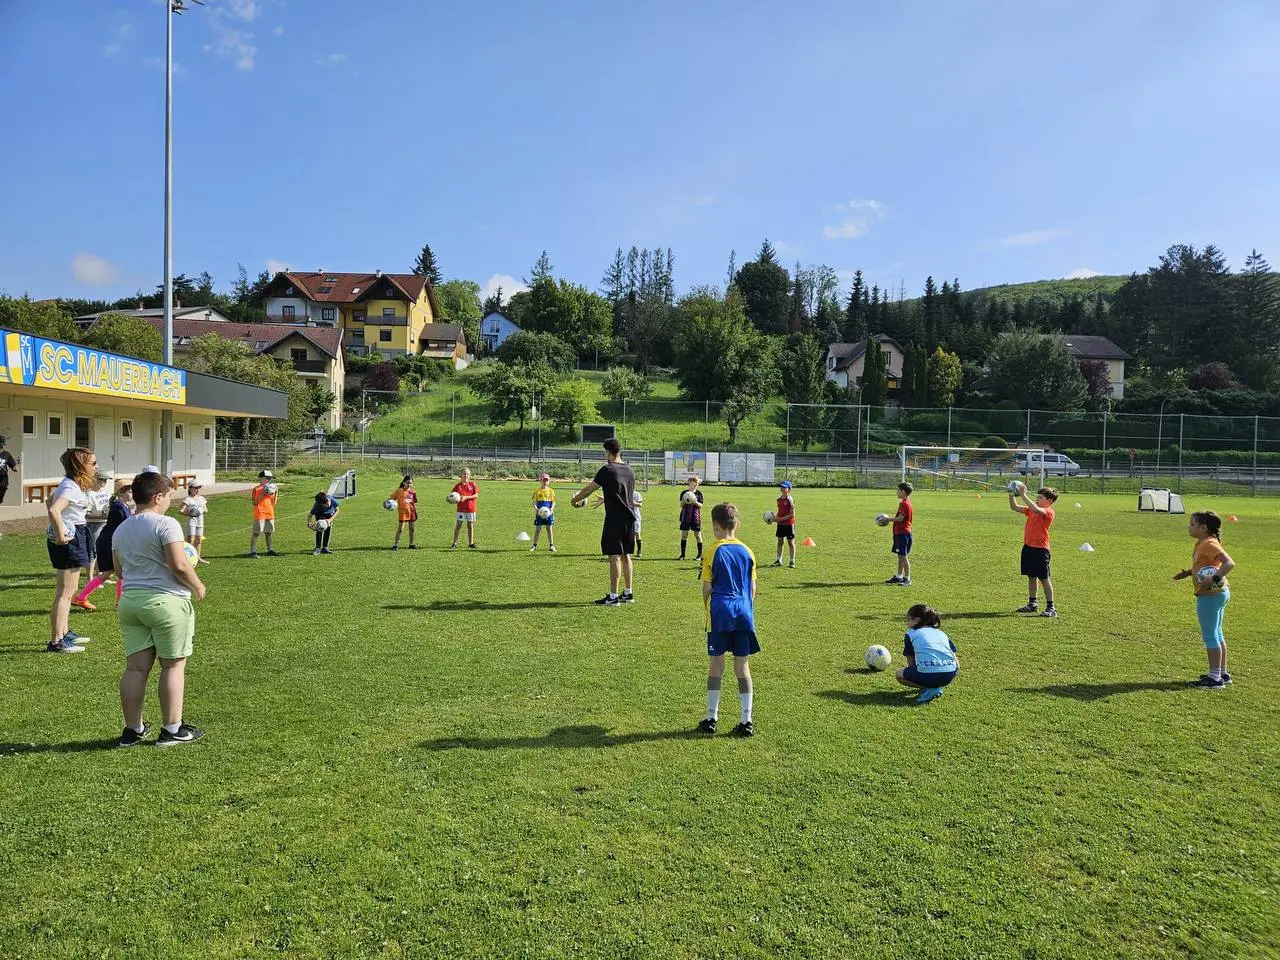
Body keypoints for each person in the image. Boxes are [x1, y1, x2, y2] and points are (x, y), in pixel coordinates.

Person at [113, 471, 206, 747]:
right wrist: (198, 585)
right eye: (167, 496)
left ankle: (132, 730)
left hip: (131, 602)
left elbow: (119, 570)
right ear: (157, 497)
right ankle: (172, 729)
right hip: (165, 602)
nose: (168, 501)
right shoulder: (166, 524)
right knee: (173, 665)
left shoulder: (122, 528)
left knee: (136, 668)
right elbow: (179, 564)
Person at [698, 503, 758, 737]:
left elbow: (707, 587)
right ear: (738, 525)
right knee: (742, 667)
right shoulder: (748, 550)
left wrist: (708, 609)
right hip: (744, 613)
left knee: (716, 666)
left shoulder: (712, 550)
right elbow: (752, 587)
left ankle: (711, 718)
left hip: (720, 614)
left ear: (715, 526)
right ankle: (746, 720)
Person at [1173, 511, 1236, 690]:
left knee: (1210, 636)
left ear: (1204, 528)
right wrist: (1188, 573)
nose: (1189, 527)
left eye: (1192, 524)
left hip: (1210, 595)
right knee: (1217, 634)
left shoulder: (1208, 543)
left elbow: (1229, 563)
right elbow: (1205, 565)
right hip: (1219, 594)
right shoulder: (1204, 543)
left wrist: (1214, 578)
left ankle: (1214, 678)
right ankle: (1222, 673)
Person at [570, 438, 636, 605]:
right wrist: (606, 499)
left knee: (614, 555)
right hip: (630, 518)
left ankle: (613, 597)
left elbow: (588, 489)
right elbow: (623, 495)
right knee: (626, 555)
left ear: (608, 452)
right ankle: (628, 593)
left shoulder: (607, 470)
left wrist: (575, 500)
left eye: (604, 452)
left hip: (614, 519)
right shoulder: (629, 470)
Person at [45, 447, 97, 652]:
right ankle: (57, 641)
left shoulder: (71, 485)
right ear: (80, 465)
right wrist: (60, 537)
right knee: (65, 593)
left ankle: (64, 632)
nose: (95, 467)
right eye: (92, 463)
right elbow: (53, 509)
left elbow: (49, 500)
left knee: (69, 590)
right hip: (71, 538)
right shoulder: (70, 487)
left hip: (77, 533)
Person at [74, 483, 134, 610]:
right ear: (121, 492)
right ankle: (81, 598)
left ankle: (117, 602)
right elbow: (129, 523)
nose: (132, 494)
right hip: (109, 542)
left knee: (118, 572)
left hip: (112, 541)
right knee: (112, 572)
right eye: (130, 491)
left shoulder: (122, 505)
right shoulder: (118, 506)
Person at [1009, 482, 1058, 617]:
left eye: (1040, 497)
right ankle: (1032, 604)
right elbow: (1014, 507)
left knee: (1044, 578)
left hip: (1041, 549)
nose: (1037, 499)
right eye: (1037, 497)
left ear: (1049, 501)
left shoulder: (1048, 512)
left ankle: (1051, 607)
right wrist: (1011, 493)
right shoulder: (1031, 509)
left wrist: (1023, 494)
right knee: (1031, 576)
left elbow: (1037, 510)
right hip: (1028, 546)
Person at [894, 604, 958, 705]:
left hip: (928, 674)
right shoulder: (941, 633)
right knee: (933, 674)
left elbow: (910, 660)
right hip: (949, 674)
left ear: (916, 620)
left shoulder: (911, 633)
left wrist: (914, 673)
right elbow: (955, 660)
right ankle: (935, 686)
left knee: (899, 675)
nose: (907, 623)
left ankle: (931, 688)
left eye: (908, 619)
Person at [71, 470, 112, 611]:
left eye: (105, 480)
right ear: (94, 480)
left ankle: (101, 574)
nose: (104, 483)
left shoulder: (105, 493)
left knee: (102, 550)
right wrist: (99, 514)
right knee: (92, 551)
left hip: (105, 523)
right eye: (101, 480)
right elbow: (85, 513)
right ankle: (89, 578)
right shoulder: (89, 494)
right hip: (93, 525)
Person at [884, 481, 914, 585]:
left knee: (904, 556)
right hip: (902, 533)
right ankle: (899, 576)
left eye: (898, 490)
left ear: (903, 491)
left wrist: (887, 519)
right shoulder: (906, 502)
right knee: (900, 555)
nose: (896, 492)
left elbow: (900, 519)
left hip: (902, 534)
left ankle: (907, 578)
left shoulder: (904, 504)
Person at [249, 469, 279, 558]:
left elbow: (273, 503)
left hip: (269, 513)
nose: (269, 480)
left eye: (270, 478)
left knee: (268, 533)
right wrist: (262, 493)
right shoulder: (256, 489)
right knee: (256, 533)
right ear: (261, 478)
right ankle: (252, 551)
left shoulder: (271, 488)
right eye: (267, 478)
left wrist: (276, 492)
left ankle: (269, 550)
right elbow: (254, 503)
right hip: (260, 514)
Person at [180, 481, 210, 565]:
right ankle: (187, 559)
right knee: (190, 541)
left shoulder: (202, 499)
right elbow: (181, 510)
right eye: (195, 488)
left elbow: (206, 510)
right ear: (190, 488)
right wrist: (190, 513)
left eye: (198, 488)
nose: (197, 490)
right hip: (191, 522)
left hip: (200, 522)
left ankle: (198, 558)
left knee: (199, 540)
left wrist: (199, 511)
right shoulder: (188, 499)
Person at [449, 468, 479, 549]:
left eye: (467, 474)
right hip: (461, 510)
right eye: (464, 474)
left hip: (471, 509)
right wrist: (450, 499)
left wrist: (466, 497)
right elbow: (451, 496)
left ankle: (471, 543)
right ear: (461, 475)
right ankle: (454, 543)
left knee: (470, 526)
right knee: (458, 526)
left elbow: (476, 495)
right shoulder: (457, 486)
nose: (465, 475)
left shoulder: (473, 485)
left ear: (469, 475)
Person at [677, 475, 705, 561]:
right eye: (691, 483)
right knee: (684, 535)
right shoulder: (684, 493)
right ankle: (682, 555)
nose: (692, 485)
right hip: (685, 517)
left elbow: (700, 505)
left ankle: (699, 555)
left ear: (697, 484)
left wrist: (695, 501)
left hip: (695, 517)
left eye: (695, 483)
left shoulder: (699, 494)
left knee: (698, 535)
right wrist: (684, 500)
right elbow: (681, 505)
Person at [771, 480, 797, 568]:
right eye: (781, 487)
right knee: (780, 541)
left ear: (789, 489)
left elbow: (792, 515)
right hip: (781, 524)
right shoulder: (778, 500)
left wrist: (780, 519)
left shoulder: (790, 499)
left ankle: (792, 561)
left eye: (784, 487)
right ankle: (779, 560)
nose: (782, 488)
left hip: (789, 524)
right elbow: (780, 512)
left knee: (791, 542)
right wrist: (774, 519)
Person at [530, 472, 557, 552]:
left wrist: (552, 509)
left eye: (546, 480)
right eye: (543, 480)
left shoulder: (551, 491)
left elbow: (553, 502)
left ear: (549, 481)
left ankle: (551, 545)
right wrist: (536, 509)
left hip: (549, 513)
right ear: (540, 481)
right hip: (540, 513)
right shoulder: (537, 491)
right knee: (538, 529)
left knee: (549, 528)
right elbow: (534, 502)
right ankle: (534, 545)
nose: (545, 482)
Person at [390, 475, 418, 550]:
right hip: (403, 513)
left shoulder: (412, 492)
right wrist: (388, 503)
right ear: (403, 482)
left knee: (412, 529)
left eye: (411, 483)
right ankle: (396, 544)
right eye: (407, 483)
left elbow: (414, 502)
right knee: (400, 529)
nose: (409, 484)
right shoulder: (399, 491)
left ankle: (411, 544)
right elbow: (391, 499)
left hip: (411, 512)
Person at [0, 434, 19, 504]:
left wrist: (15, 468)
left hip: (3, 481)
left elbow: (13, 465)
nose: (2, 446)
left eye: (2, 445)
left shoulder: (6, 454)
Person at [631, 489, 644, 558]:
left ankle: (639, 550)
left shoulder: (636, 494)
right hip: (626, 516)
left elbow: (640, 504)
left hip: (636, 516)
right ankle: (628, 550)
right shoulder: (624, 492)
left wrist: (633, 503)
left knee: (637, 533)